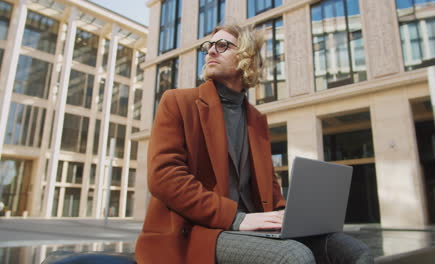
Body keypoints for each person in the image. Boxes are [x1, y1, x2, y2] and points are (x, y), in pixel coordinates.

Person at [135, 24, 373, 264]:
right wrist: (237, 219)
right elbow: (164, 177)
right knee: (293, 256)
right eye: (208, 47)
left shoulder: (257, 119)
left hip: (249, 226)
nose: (210, 52)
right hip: (197, 232)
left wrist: (286, 215)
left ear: (246, 58)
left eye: (222, 45)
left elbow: (269, 188)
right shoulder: (177, 102)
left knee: (355, 252)